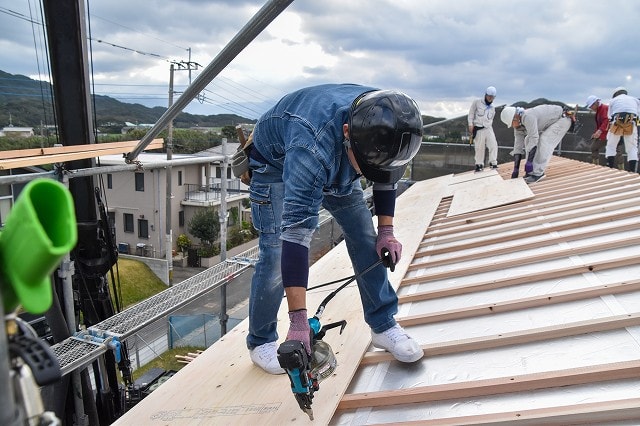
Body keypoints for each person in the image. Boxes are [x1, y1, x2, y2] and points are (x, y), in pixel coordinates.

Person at [245, 84, 425, 374]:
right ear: (346, 134)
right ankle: (261, 341)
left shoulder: (389, 121)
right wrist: (299, 320)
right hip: (275, 164)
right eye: (368, 167)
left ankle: (383, 325)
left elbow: (385, 179)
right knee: (276, 252)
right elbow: (296, 235)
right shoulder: (311, 151)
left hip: (339, 156)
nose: (371, 175)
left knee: (366, 236)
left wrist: (386, 231)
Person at [500, 104, 573, 183]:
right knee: (527, 139)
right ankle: (531, 172)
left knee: (544, 140)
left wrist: (529, 162)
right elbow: (518, 146)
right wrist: (516, 169)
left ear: (515, 118)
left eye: (511, 124)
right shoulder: (518, 126)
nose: (512, 126)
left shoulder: (528, 117)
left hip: (563, 119)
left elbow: (534, 139)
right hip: (552, 122)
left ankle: (538, 173)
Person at [605, 87, 640, 172]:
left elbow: (609, 116)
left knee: (611, 145)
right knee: (632, 148)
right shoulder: (635, 100)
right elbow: (638, 116)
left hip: (617, 122)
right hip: (631, 122)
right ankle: (632, 171)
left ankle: (610, 168)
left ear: (616, 94)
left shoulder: (613, 101)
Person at [586, 95, 623, 168]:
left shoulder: (604, 108)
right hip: (609, 133)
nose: (590, 108)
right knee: (616, 150)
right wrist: (596, 132)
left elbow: (606, 121)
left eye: (591, 106)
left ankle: (620, 168)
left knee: (616, 150)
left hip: (610, 133)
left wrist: (599, 131)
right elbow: (601, 123)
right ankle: (620, 167)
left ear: (596, 103)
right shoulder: (600, 109)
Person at [468, 86, 498, 172]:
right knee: (479, 147)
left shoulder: (492, 107)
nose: (490, 98)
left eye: (492, 97)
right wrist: (470, 124)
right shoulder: (477, 102)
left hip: (488, 128)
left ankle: (493, 162)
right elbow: (471, 114)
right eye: (489, 96)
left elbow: (491, 118)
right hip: (478, 128)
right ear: (485, 95)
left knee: (493, 145)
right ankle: (479, 164)